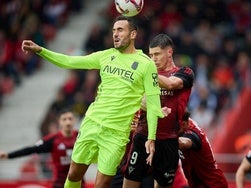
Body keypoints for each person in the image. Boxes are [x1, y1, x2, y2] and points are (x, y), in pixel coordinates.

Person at [21, 15, 164, 188]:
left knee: (102, 183)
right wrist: (41, 50)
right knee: (74, 174)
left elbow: (154, 104)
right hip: (92, 124)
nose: (115, 34)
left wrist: (151, 137)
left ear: (133, 34)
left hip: (116, 134)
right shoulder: (106, 56)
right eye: (113, 30)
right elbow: (69, 62)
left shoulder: (146, 64)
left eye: (120, 30)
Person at [123, 33, 194, 188]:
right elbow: (138, 100)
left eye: (157, 54)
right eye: (150, 55)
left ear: (169, 52)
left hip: (169, 141)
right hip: (143, 137)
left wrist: (146, 69)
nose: (153, 59)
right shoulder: (146, 76)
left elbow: (170, 84)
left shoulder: (185, 72)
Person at [0, 108, 85, 188]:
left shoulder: (82, 138)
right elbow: (31, 149)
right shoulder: (52, 139)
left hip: (79, 184)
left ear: (74, 120)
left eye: (70, 119)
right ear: (59, 121)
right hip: (60, 184)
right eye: (64, 119)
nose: (68, 122)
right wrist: (8, 155)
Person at [175, 111, 228, 188]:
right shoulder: (182, 123)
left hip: (212, 184)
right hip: (198, 183)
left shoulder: (192, 133)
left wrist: (164, 139)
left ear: (184, 124)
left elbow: (185, 142)